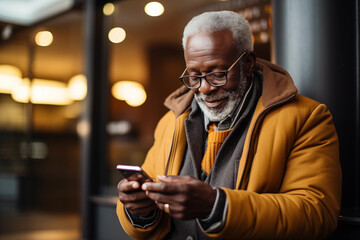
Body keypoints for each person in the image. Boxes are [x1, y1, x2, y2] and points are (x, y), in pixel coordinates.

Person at [116, 10, 342, 240]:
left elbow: (317, 213)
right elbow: (152, 215)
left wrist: (217, 206)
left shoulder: (307, 118)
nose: (204, 88)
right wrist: (139, 211)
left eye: (217, 74)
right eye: (194, 76)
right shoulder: (170, 121)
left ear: (247, 63)